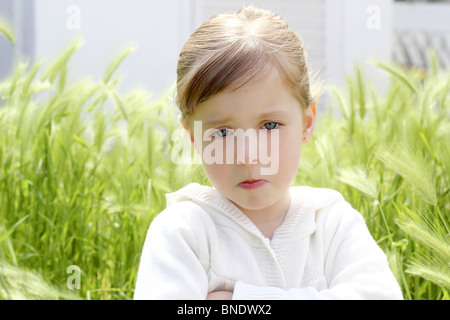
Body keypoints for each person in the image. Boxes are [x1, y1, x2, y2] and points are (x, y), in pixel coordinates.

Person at [134, 5, 403, 300]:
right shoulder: (183, 233)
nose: (248, 156)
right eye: (222, 132)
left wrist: (236, 299)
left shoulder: (332, 225)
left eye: (270, 125)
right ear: (193, 138)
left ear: (307, 122)